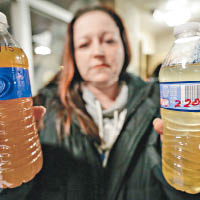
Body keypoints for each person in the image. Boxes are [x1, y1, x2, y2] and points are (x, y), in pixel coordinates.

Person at [1, 5, 200, 200]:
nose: (97, 51)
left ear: (124, 46)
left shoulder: (165, 101)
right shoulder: (43, 108)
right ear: (73, 55)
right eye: (84, 44)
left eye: (109, 40)